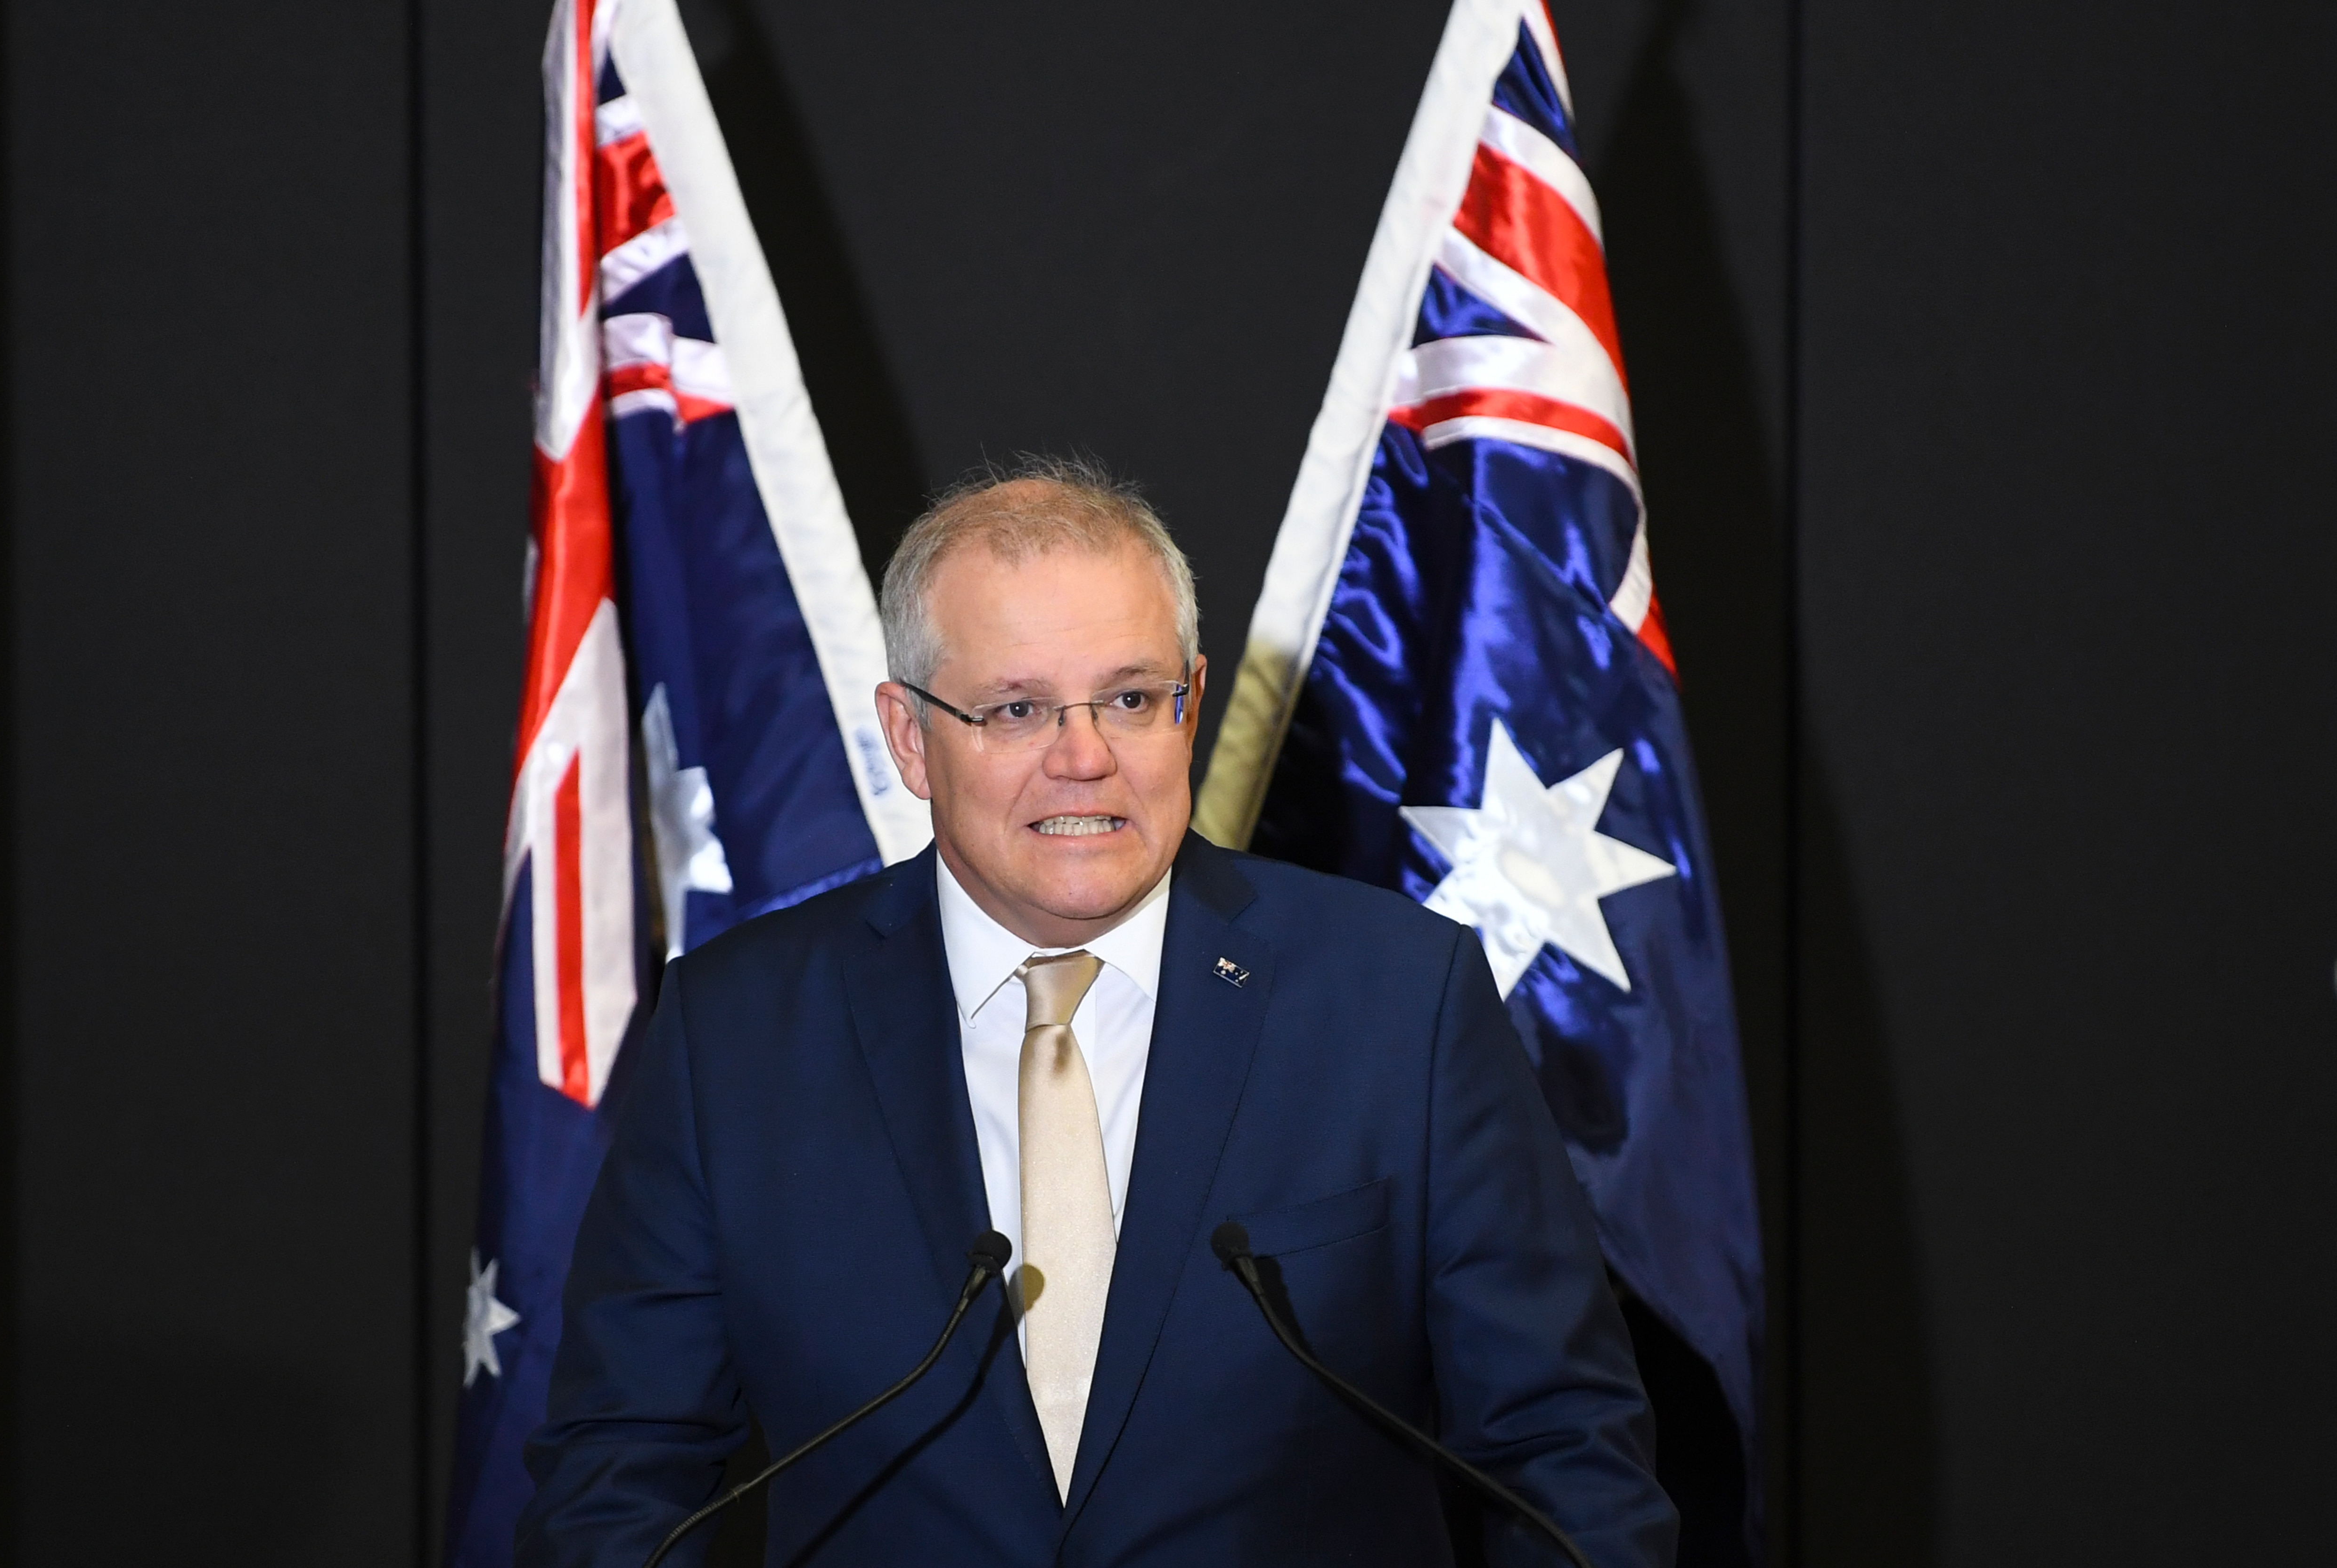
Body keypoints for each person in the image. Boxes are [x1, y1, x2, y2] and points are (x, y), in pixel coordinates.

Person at [519, 459, 1678, 1567]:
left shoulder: (1396, 999)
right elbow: (624, 1470)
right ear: (911, 736)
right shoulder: (737, 1031)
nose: (1085, 759)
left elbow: (1561, 1453)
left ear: (1193, 705)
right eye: (1017, 708)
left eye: (1130, 697)